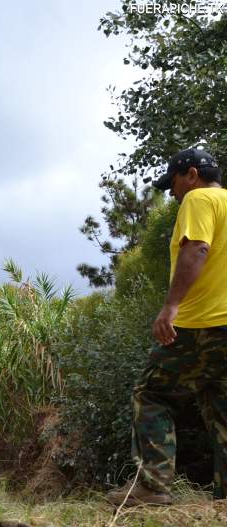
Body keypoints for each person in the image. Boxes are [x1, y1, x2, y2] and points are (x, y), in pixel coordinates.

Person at [107, 148, 227, 506]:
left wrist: (171, 306)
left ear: (191, 174)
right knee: (220, 407)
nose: (173, 193)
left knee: (152, 394)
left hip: (199, 323)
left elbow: (197, 249)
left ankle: (153, 485)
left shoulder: (199, 199)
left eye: (173, 183)